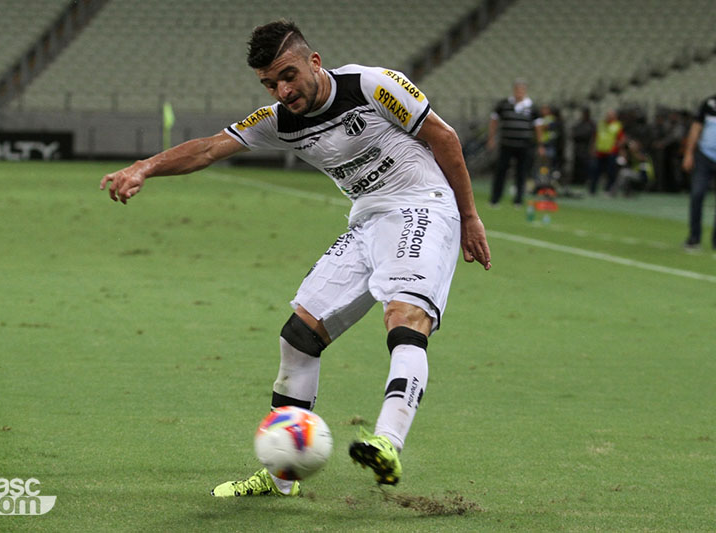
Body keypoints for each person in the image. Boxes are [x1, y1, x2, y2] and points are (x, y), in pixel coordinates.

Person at [100, 20, 491, 497]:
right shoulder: (279, 120)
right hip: (366, 222)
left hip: (422, 206)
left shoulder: (372, 85)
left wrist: (469, 217)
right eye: (270, 83)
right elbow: (207, 149)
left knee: (404, 316)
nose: (282, 90)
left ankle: (387, 442)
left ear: (314, 62)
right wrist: (144, 167)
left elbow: (444, 137)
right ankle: (283, 473)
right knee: (299, 336)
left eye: (288, 76)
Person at [486, 79, 544, 207]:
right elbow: (494, 120)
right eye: (517, 90)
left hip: (524, 145)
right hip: (506, 143)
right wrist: (491, 138)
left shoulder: (532, 107)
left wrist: (540, 144)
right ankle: (495, 199)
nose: (519, 92)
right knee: (501, 171)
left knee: (521, 172)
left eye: (522, 90)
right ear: (514, 90)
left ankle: (518, 199)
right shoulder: (504, 104)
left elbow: (538, 127)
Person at [682, 94, 716, 250]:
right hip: (705, 156)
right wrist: (689, 153)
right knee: (697, 194)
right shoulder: (709, 103)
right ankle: (694, 237)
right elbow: (696, 128)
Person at [589, 109, 624, 195]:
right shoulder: (601, 124)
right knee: (595, 171)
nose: (608, 116)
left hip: (611, 152)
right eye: (608, 115)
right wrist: (593, 148)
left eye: (610, 115)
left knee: (610, 172)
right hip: (600, 152)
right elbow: (595, 137)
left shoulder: (617, 125)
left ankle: (608, 190)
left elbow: (622, 139)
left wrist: (618, 147)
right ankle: (592, 190)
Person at [571, 107, 596, 185]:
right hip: (578, 148)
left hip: (587, 148)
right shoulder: (580, 123)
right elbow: (574, 134)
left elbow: (592, 136)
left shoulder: (591, 124)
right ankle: (577, 181)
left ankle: (586, 181)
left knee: (586, 166)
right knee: (578, 166)